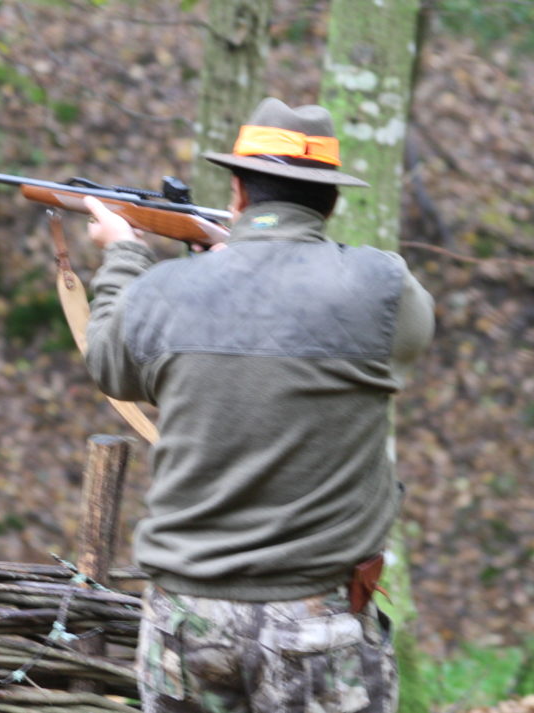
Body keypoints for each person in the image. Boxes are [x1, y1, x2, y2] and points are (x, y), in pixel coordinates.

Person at [81, 97, 435, 713]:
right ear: (331, 200)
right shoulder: (384, 287)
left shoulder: (163, 291)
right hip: (318, 618)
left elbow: (110, 363)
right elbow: (403, 332)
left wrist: (123, 254)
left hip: (186, 622)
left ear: (237, 191)